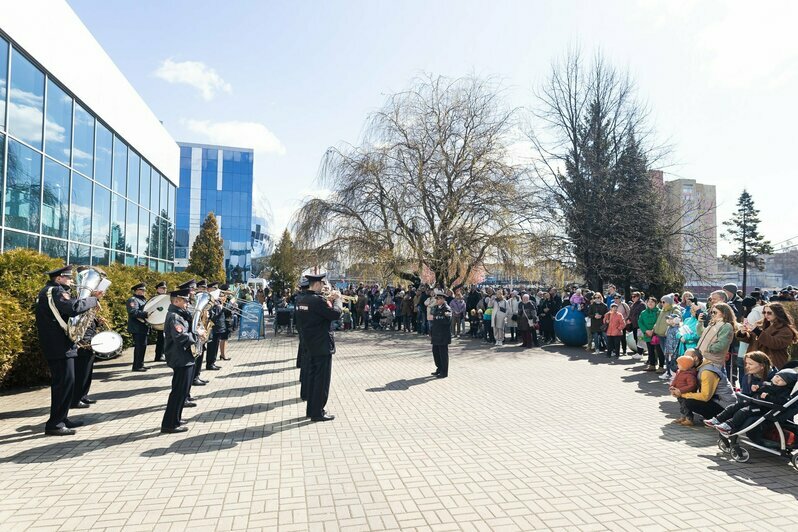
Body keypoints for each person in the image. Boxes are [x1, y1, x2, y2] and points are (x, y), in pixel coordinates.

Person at [35, 265, 101, 436]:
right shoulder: (55, 291)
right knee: (63, 383)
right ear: (59, 278)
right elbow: (72, 308)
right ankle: (55, 424)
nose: (72, 281)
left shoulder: (52, 290)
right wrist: (93, 299)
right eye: (68, 278)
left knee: (67, 382)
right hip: (58, 344)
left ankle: (62, 418)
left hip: (60, 343)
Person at [294, 272, 341, 422]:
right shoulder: (318, 301)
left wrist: (328, 300)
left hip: (309, 343)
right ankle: (317, 412)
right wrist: (337, 300)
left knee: (313, 378)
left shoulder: (302, 299)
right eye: (322, 284)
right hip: (321, 345)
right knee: (322, 380)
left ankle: (311, 410)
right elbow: (335, 314)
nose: (323, 286)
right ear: (317, 284)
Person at [161, 287, 204, 434]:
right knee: (178, 392)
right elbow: (181, 338)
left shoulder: (180, 314)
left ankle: (175, 419)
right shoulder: (174, 317)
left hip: (185, 357)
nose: (187, 304)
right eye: (185, 301)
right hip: (180, 358)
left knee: (182, 391)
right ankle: (170, 424)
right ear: (177, 301)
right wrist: (197, 334)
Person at [707, 368, 798, 435]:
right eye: (777, 377)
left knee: (744, 411)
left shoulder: (784, 392)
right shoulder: (767, 384)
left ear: (788, 384)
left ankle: (729, 425)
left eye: (782, 380)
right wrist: (755, 389)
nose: (778, 380)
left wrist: (768, 397)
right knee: (734, 406)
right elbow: (758, 390)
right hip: (755, 402)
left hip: (764, 408)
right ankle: (717, 419)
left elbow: (782, 401)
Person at [670, 351, 736, 426]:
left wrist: (683, 394)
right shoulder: (698, 367)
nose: (684, 359)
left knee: (690, 402)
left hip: (725, 406)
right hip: (716, 400)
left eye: (687, 357)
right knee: (688, 398)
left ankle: (718, 418)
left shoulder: (706, 372)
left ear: (695, 358)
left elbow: (705, 396)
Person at [736, 302, 798, 370]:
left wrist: (758, 332)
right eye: (764, 312)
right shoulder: (760, 324)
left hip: (771, 364)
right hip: (753, 362)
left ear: (778, 314)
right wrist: (743, 333)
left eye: (769, 313)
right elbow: (752, 340)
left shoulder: (785, 329)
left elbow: (775, 343)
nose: (766, 315)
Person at [695, 302, 736, 368]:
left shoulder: (726, 326)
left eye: (715, 312)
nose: (712, 314)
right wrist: (700, 322)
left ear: (724, 313)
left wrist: (707, 348)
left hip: (712, 361)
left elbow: (722, 344)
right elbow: (700, 334)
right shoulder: (713, 323)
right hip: (704, 358)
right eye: (711, 312)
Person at [126, 282, 150, 372]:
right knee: (139, 347)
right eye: (141, 290)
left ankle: (141, 364)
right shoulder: (133, 300)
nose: (143, 291)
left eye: (144, 290)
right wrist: (146, 314)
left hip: (143, 327)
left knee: (143, 346)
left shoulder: (142, 300)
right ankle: (136, 366)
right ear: (136, 290)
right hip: (137, 327)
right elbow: (133, 312)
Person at [294, 277, 310, 401]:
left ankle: (304, 389)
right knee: (307, 362)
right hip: (308, 332)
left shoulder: (299, 298)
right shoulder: (306, 299)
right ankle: (305, 392)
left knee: (304, 357)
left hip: (301, 328)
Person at [670, 354, 698, 424]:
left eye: (679, 364)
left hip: (686, 394)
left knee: (686, 406)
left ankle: (689, 419)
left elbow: (692, 386)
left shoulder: (689, 375)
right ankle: (682, 417)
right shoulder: (679, 372)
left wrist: (681, 390)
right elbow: (675, 380)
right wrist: (672, 386)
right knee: (682, 406)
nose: (677, 365)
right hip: (679, 393)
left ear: (685, 365)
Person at [429, 290, 452, 378]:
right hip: (435, 334)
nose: (437, 300)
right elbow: (432, 321)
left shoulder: (447, 309)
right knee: (436, 353)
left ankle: (444, 371)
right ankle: (439, 368)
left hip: (443, 335)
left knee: (443, 354)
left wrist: (435, 318)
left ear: (442, 299)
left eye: (438, 299)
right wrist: (431, 331)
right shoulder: (436, 308)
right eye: (436, 299)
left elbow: (447, 321)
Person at [638, 297, 661, 371]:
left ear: (656, 303)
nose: (650, 303)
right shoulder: (643, 312)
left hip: (657, 334)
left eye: (652, 302)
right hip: (647, 334)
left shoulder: (659, 312)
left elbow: (660, 322)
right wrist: (646, 331)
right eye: (649, 302)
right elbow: (640, 322)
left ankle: (661, 366)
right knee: (650, 350)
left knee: (658, 350)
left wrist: (653, 330)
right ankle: (652, 365)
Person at [627, 292, 646, 359]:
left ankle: (640, 353)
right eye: (632, 296)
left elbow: (642, 315)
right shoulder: (634, 304)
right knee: (636, 338)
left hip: (639, 325)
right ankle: (638, 352)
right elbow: (631, 313)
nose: (632, 298)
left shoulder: (642, 304)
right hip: (634, 324)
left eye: (634, 296)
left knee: (640, 339)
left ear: (638, 297)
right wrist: (629, 319)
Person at [153, 281, 168, 362]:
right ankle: (159, 355)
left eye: (165, 288)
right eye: (162, 288)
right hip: (159, 321)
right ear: (157, 289)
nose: (164, 290)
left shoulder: (166, 297)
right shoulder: (155, 298)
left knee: (165, 338)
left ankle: (163, 354)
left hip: (166, 320)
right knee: (160, 338)